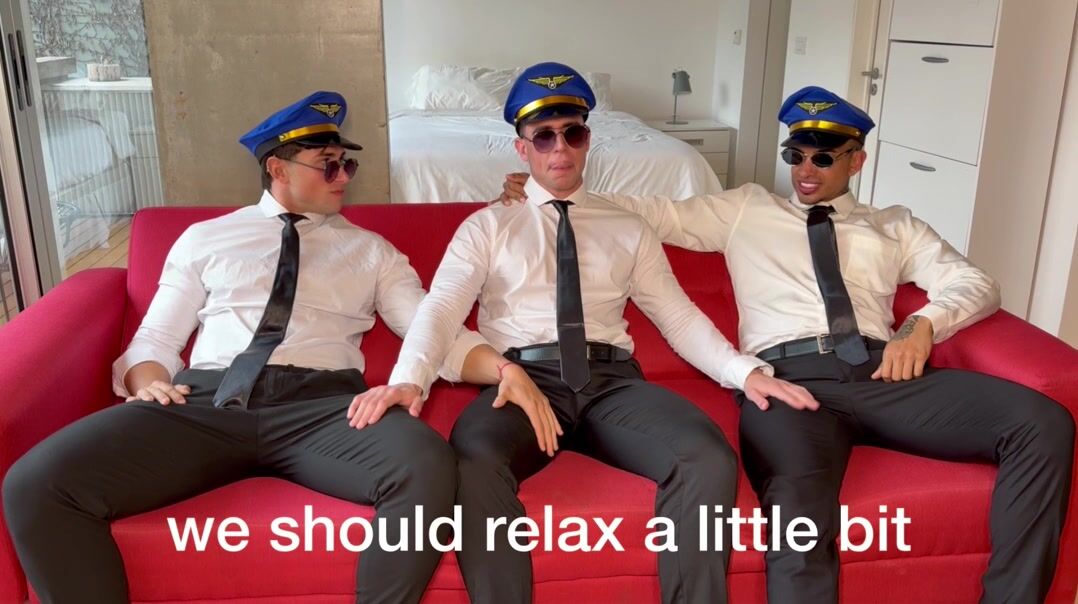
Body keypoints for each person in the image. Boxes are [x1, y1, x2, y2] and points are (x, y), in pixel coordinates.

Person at [501, 85, 1076, 604]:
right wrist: (543, 189)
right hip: (787, 386)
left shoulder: (895, 225)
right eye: (795, 155)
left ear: (856, 160)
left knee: (1043, 422)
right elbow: (647, 212)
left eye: (823, 158)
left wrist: (922, 325)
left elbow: (975, 283)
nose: (805, 170)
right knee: (800, 524)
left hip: (883, 376)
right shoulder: (745, 209)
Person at [350, 62, 819, 604]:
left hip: (611, 383)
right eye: (544, 137)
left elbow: (678, 316)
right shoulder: (488, 226)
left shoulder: (626, 225)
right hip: (523, 384)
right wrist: (409, 380)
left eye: (572, 133)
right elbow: (440, 309)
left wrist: (746, 373)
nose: (560, 149)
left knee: (708, 457)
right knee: (475, 461)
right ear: (522, 149)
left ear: (588, 139)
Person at [2, 91, 491, 604]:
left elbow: (430, 327)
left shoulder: (372, 251)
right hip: (206, 404)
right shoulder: (205, 239)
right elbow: (156, 339)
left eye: (347, 164)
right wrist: (149, 383)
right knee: (37, 483)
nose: (344, 176)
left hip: (325, 409)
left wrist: (504, 370)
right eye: (328, 164)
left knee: (426, 463)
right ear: (278, 168)